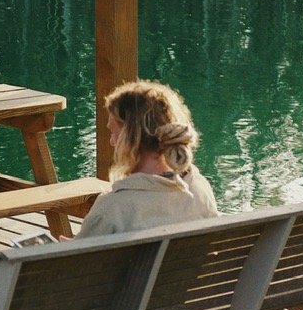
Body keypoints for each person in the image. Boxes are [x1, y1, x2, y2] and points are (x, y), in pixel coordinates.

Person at [75, 80, 219, 237]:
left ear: (130, 139)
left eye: (113, 133)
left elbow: (79, 260)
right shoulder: (199, 189)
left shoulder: (113, 208)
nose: (111, 142)